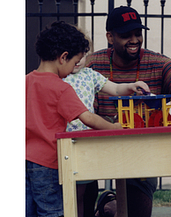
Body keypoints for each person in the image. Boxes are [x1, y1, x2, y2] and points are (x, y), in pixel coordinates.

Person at [85, 6, 171, 217]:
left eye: (138, 33)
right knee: (82, 191)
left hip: (141, 151)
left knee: (136, 209)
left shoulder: (159, 63)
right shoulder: (93, 64)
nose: (134, 40)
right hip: (96, 146)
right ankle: (106, 203)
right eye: (125, 35)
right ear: (110, 37)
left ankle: (109, 205)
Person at [26, 21, 122, 217]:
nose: (72, 69)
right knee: (51, 210)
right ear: (63, 58)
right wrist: (115, 128)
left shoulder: (26, 81)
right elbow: (88, 118)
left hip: (23, 158)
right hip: (48, 162)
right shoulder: (61, 88)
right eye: (73, 62)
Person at [63, 53, 150, 217]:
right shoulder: (59, 76)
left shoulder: (89, 74)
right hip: (64, 139)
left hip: (85, 140)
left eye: (81, 55)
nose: (77, 60)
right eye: (72, 55)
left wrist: (131, 86)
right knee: (68, 192)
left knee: (81, 192)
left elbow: (115, 88)